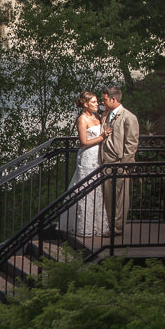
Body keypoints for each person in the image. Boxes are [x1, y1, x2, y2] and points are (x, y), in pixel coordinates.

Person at [59, 91, 108, 238]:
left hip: (98, 157)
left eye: (97, 101)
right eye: (94, 102)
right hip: (87, 156)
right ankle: (83, 226)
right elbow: (84, 142)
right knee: (86, 188)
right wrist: (102, 137)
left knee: (97, 189)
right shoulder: (82, 119)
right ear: (86, 104)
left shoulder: (97, 116)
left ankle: (97, 225)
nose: (97, 104)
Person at [99, 86, 140, 236]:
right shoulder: (105, 114)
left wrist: (124, 165)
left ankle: (118, 228)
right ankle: (109, 225)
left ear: (113, 99)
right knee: (109, 197)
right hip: (104, 163)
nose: (102, 103)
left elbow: (131, 144)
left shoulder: (129, 117)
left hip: (118, 164)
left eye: (104, 99)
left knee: (120, 198)